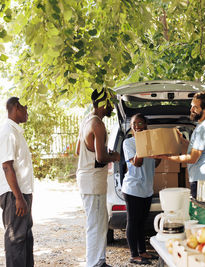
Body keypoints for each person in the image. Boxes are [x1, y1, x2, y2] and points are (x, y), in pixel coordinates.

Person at [76, 89, 120, 267]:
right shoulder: (97, 124)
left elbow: (79, 150)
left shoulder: (87, 120)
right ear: (102, 103)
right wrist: (115, 157)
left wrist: (100, 150)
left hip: (88, 180)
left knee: (100, 224)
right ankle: (94, 263)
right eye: (110, 103)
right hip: (93, 182)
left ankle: (99, 261)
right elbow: (101, 158)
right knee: (96, 225)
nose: (112, 107)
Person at [156, 92, 205, 198]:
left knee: (201, 213)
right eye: (191, 106)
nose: (191, 110)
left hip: (201, 181)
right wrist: (182, 140)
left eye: (195, 107)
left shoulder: (202, 129)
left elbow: (192, 158)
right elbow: (199, 149)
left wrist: (166, 157)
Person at [122, 113, 161, 265]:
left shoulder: (152, 142)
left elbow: (155, 164)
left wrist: (158, 154)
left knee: (142, 222)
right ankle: (134, 255)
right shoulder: (128, 143)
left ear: (146, 125)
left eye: (140, 124)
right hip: (132, 188)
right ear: (131, 128)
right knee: (133, 221)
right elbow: (136, 163)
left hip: (147, 189)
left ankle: (143, 252)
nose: (137, 127)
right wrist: (143, 145)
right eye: (134, 124)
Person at [0, 97, 34, 267]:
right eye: (25, 108)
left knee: (26, 238)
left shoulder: (15, 131)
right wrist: (19, 198)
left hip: (22, 194)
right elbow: (7, 167)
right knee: (16, 241)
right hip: (15, 196)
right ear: (15, 107)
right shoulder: (7, 131)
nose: (27, 112)